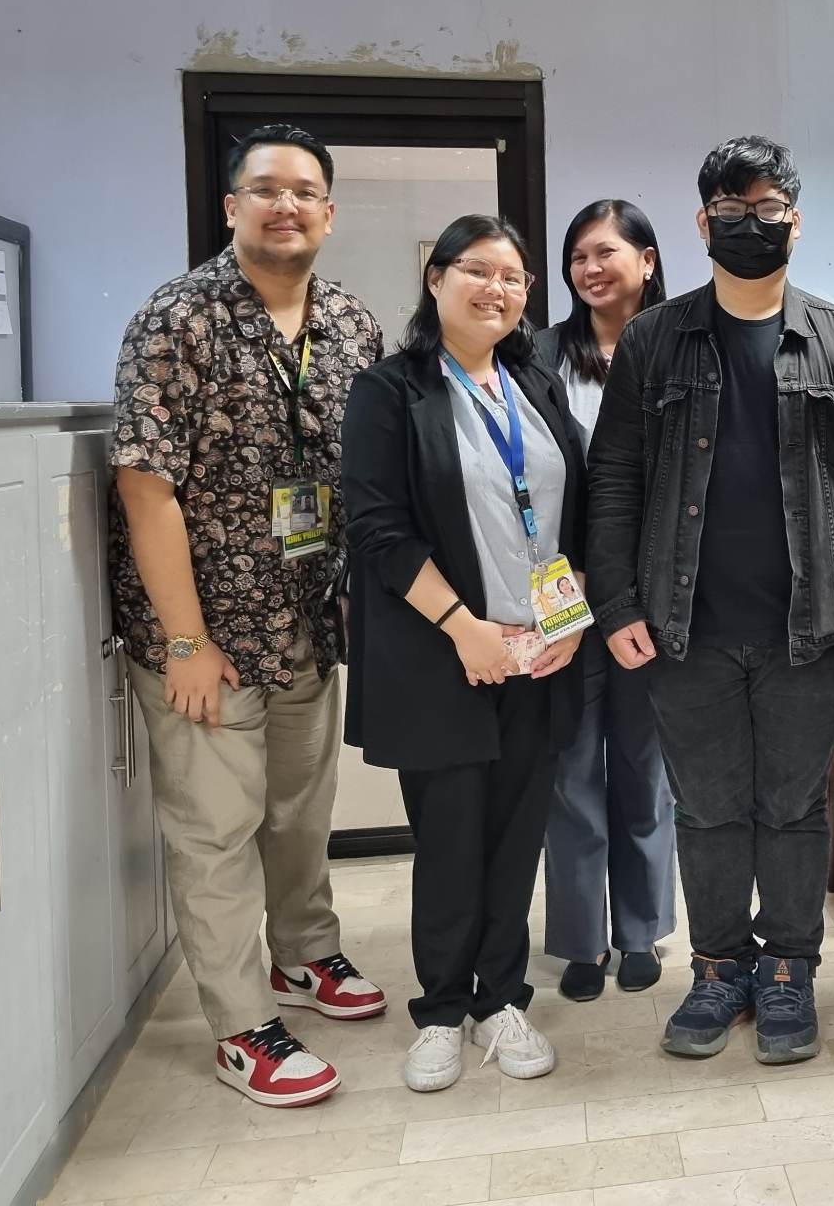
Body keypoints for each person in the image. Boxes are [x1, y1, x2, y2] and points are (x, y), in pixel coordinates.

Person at [588, 135, 834, 1066]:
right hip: (682, 628)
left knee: (795, 808)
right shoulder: (653, 340)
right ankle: (720, 966)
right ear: (702, 223)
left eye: (767, 209)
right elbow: (614, 480)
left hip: (811, 629)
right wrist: (616, 606)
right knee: (707, 809)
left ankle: (789, 970)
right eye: (731, 211)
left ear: (794, 222)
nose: (749, 224)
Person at [110, 123, 387, 1109]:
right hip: (205, 635)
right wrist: (185, 640)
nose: (286, 205)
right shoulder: (177, 317)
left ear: (328, 213)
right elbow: (145, 486)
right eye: (265, 189)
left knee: (298, 810)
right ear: (233, 206)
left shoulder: (350, 322)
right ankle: (241, 1027)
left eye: (304, 191)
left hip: (305, 621)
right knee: (216, 832)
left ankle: (303, 952)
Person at [341, 213, 592, 1093]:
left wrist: (567, 625)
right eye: (478, 270)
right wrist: (464, 628)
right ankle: (442, 1013)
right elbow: (378, 528)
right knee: (451, 840)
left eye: (514, 277)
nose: (497, 289)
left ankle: (502, 1000)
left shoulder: (536, 384)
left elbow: (572, 515)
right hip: (444, 652)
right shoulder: (389, 391)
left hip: (539, 654)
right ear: (437, 279)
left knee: (516, 838)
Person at [534, 199, 677, 1002]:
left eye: (606, 252)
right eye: (578, 256)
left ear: (647, 261)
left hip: (650, 590)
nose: (590, 268)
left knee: (644, 763)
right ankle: (582, 939)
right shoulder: (539, 355)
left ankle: (641, 929)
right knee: (571, 764)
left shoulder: (680, 350)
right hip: (560, 585)